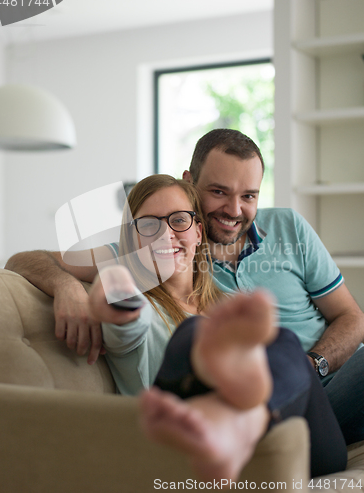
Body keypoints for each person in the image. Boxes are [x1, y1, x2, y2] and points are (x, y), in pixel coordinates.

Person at [5, 129, 364, 444]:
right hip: (266, 411)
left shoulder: (286, 228)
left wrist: (311, 366)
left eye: (249, 196)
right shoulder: (149, 250)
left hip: (323, 379)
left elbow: (351, 316)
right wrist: (67, 286)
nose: (234, 210)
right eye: (219, 191)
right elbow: (30, 261)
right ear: (191, 182)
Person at [86, 173, 346, 480]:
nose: (165, 234)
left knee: (283, 340)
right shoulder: (145, 309)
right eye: (148, 225)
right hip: (180, 451)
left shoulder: (228, 304)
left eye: (178, 220)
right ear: (131, 241)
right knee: (193, 332)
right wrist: (112, 287)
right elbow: (126, 322)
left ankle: (241, 423)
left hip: (299, 446)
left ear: (198, 232)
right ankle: (225, 423)